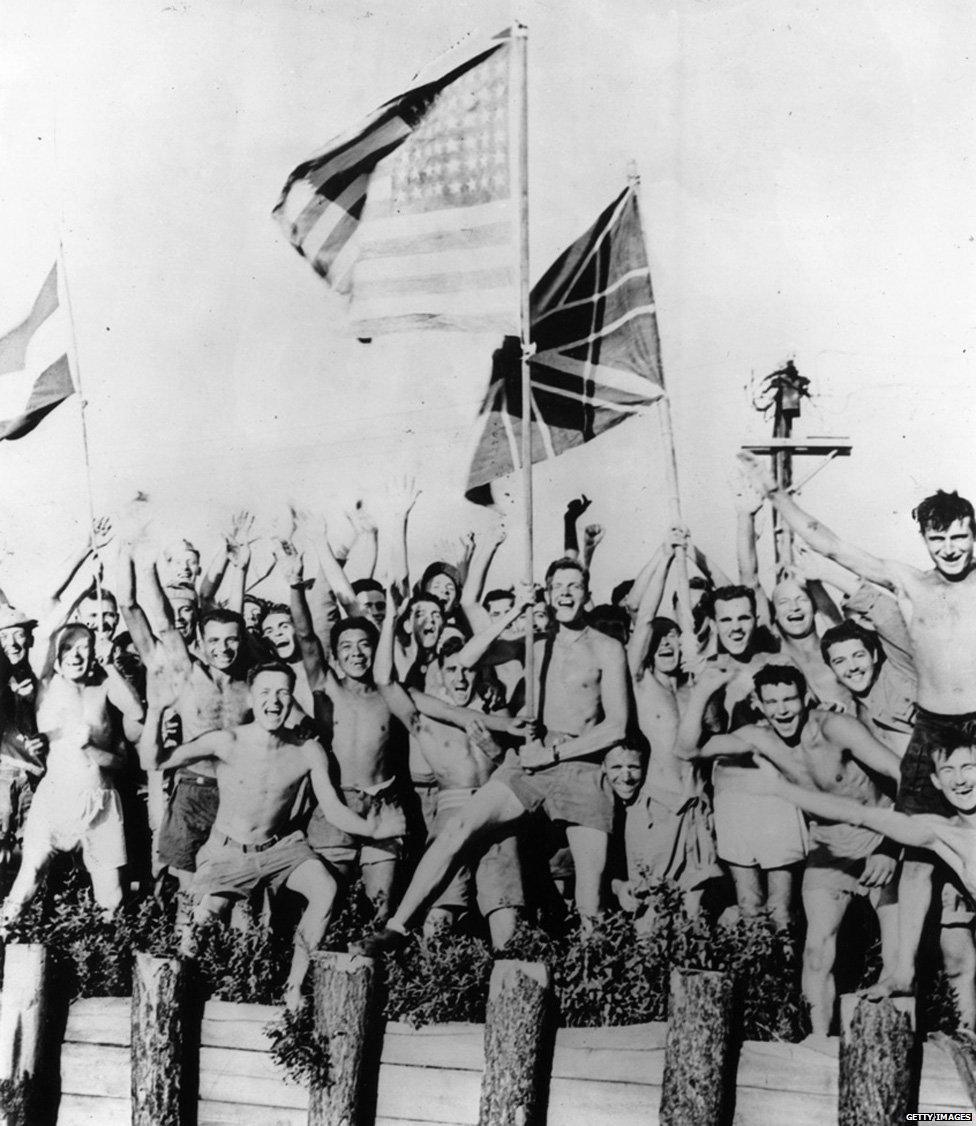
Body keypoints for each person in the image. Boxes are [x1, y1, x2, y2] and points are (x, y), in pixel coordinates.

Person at [739, 453, 976, 1002]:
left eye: (961, 538)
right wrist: (776, 497)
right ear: (925, 540)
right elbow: (830, 543)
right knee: (916, 856)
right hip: (935, 732)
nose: (951, 550)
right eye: (940, 540)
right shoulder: (909, 582)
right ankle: (900, 971)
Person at [359, 556, 628, 953]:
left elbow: (617, 726)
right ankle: (397, 927)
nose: (567, 593)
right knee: (458, 828)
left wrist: (556, 752)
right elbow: (467, 658)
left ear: (587, 592)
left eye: (575, 586)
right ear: (548, 594)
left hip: (580, 762)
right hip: (532, 760)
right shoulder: (534, 643)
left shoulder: (607, 647)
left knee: (591, 892)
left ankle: (591, 982)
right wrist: (516, 612)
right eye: (559, 587)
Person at [139, 659, 402, 1009]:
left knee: (325, 888)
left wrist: (374, 828)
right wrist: (156, 710)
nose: (274, 701)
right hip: (228, 852)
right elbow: (153, 760)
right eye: (265, 692)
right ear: (251, 697)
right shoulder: (227, 741)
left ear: (292, 698)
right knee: (196, 929)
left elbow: (335, 809)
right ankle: (178, 1001)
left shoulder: (307, 750)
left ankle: (294, 988)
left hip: (281, 850)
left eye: (283, 693)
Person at [697, 664, 901, 1032]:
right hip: (828, 846)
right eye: (772, 702)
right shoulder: (761, 738)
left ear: (806, 697)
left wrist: (889, 846)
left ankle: (896, 1045)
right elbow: (687, 749)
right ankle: (819, 1045)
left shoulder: (836, 728)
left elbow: (904, 778)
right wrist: (703, 690)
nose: (783, 710)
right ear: (758, 704)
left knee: (896, 958)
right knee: (816, 952)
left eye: (790, 699)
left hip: (879, 834)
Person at [1, 624, 144, 925]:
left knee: (111, 896)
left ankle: (109, 960)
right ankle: (5, 936)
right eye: (68, 647)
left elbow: (136, 714)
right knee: (30, 874)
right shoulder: (45, 685)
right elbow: (50, 626)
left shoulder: (104, 687)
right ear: (57, 653)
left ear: (94, 653)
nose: (75, 655)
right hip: (56, 797)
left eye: (84, 648)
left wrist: (91, 748)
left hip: (101, 801)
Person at [412, 637, 524, 949]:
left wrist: (495, 750)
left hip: (497, 811)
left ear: (481, 672)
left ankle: (508, 988)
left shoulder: (500, 714)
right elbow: (393, 685)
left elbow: (520, 770)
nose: (461, 678)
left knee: (505, 907)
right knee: (440, 908)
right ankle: (431, 985)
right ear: (440, 673)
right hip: (453, 808)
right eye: (452, 670)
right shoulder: (431, 715)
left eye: (468, 670)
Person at [0, 605, 46, 886]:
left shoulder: (40, 678)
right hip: (3, 772)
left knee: (29, 845)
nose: (13, 644)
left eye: (18, 635)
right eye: (4, 637)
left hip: (33, 776)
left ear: (30, 639)